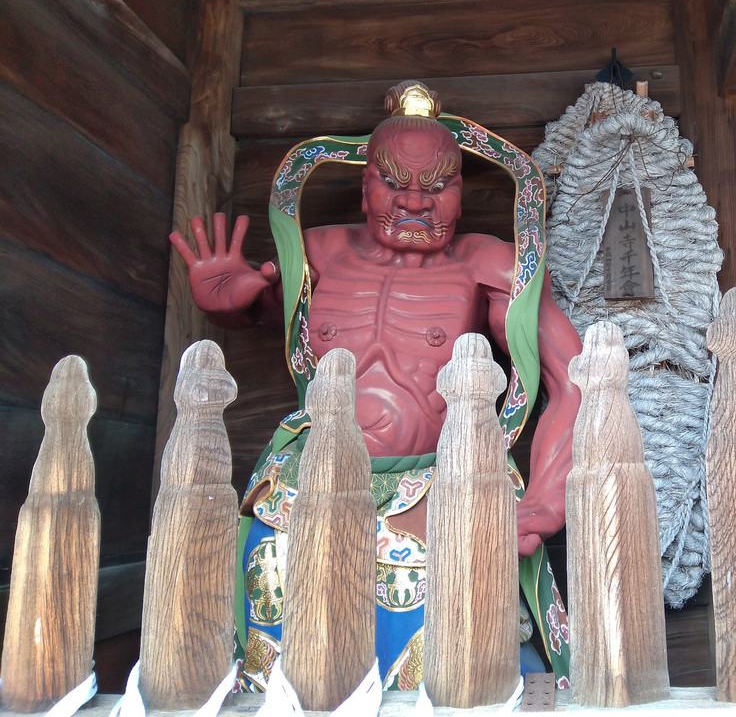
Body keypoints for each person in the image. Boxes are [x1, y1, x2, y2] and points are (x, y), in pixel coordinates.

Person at [170, 82, 581, 691]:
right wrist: (230, 305)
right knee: (278, 655)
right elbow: (260, 307)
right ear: (365, 184)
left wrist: (547, 498)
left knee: (451, 666)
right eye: (395, 182)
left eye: (437, 186)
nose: (416, 202)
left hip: (439, 486)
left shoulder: (487, 264)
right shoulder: (320, 253)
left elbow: (573, 381)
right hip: (305, 483)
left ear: (461, 193)